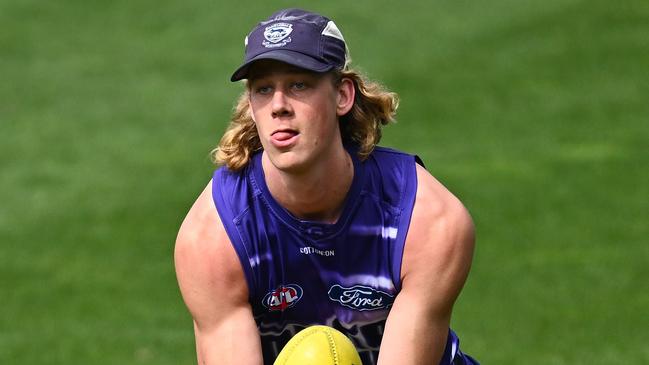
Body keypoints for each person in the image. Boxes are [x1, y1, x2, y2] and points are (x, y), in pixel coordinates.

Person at [175, 8, 479, 365]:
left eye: (299, 85)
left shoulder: (424, 218)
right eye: (263, 89)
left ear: (342, 96)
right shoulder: (215, 236)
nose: (279, 106)